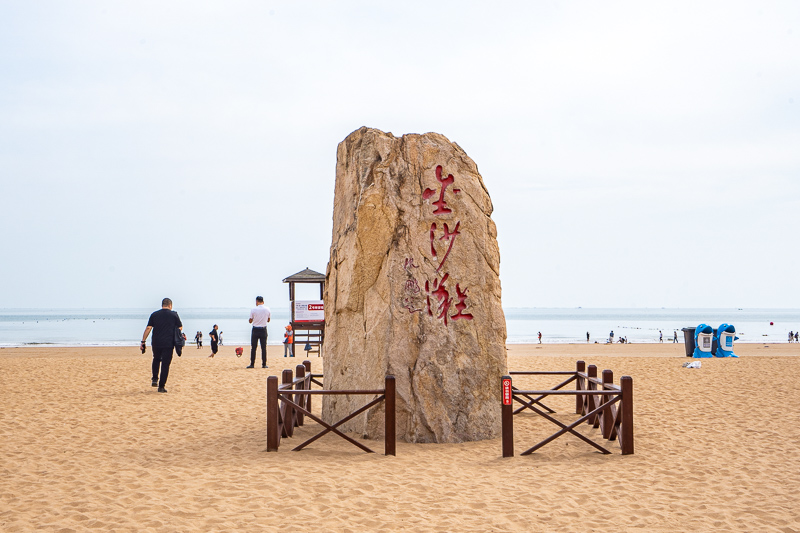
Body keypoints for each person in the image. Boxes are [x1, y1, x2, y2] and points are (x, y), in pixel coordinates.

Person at [140, 298, 182, 393]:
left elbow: (148, 328)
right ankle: (161, 387)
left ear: (162, 305)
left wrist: (143, 341)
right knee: (165, 364)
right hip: (168, 343)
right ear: (170, 305)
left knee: (156, 358)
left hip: (156, 342)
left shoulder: (154, 314)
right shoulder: (174, 315)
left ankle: (155, 378)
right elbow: (180, 327)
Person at [248, 296, 271, 368]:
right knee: (263, 348)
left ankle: (252, 364)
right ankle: (264, 364)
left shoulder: (253, 309)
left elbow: (250, 320)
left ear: (257, 301)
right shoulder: (267, 309)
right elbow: (268, 320)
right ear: (263, 302)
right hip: (263, 329)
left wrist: (255, 320)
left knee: (253, 348)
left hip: (255, 329)